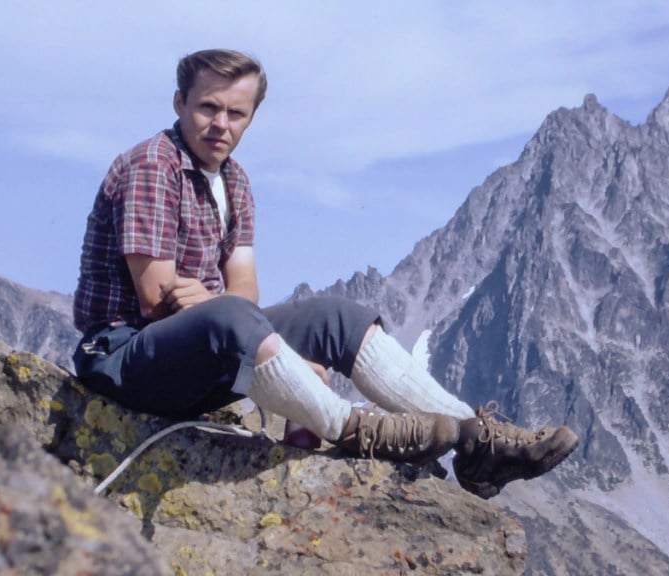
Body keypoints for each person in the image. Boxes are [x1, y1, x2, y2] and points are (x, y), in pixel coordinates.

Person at [72, 49, 578, 498]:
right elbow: (156, 299)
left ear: (251, 118)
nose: (220, 124)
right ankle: (355, 429)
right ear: (180, 102)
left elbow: (244, 292)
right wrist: (221, 307)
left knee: (334, 317)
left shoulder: (235, 182)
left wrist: (217, 306)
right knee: (230, 316)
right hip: (125, 359)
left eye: (236, 113)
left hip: (204, 355)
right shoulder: (152, 166)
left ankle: (476, 442)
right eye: (208, 107)